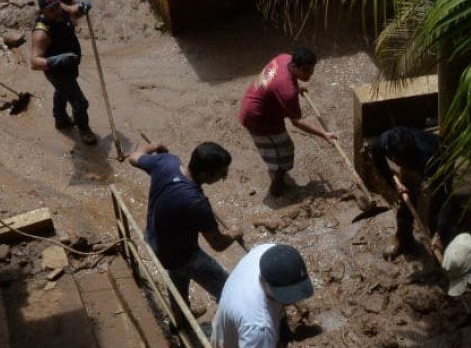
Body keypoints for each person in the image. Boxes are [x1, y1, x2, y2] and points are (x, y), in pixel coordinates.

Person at [132, 139, 237, 302]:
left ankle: (180, 320)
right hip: (184, 256)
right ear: (205, 175)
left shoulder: (166, 162)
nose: (224, 177)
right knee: (230, 290)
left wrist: (153, 146)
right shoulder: (197, 203)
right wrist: (234, 233)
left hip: (155, 240)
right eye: (221, 174)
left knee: (176, 282)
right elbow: (218, 244)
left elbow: (134, 156)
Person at [237, 47, 337, 197]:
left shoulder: (283, 58)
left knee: (279, 149)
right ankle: (276, 188)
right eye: (305, 71)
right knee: (284, 152)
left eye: (311, 70)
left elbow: (281, 81)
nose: (310, 74)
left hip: (254, 100)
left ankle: (277, 172)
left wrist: (297, 87)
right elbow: (297, 122)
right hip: (258, 118)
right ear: (294, 66)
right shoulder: (287, 91)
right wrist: (324, 134)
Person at [366, 125, 459, 258]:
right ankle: (403, 237)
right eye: (396, 161)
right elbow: (378, 159)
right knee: (407, 196)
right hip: (416, 162)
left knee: (437, 202)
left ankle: (438, 241)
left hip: (440, 159)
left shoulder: (430, 156)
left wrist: (439, 232)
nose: (398, 165)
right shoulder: (384, 142)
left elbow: (444, 196)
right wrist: (393, 183)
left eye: (403, 162)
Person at [27, 0, 97, 145]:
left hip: (70, 65)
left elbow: (74, 11)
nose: (56, 11)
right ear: (42, 11)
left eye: (57, 6)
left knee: (62, 91)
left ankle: (61, 119)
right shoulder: (41, 32)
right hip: (57, 71)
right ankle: (84, 130)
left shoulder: (60, 10)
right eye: (51, 9)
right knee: (80, 103)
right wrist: (56, 61)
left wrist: (82, 7)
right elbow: (34, 62)